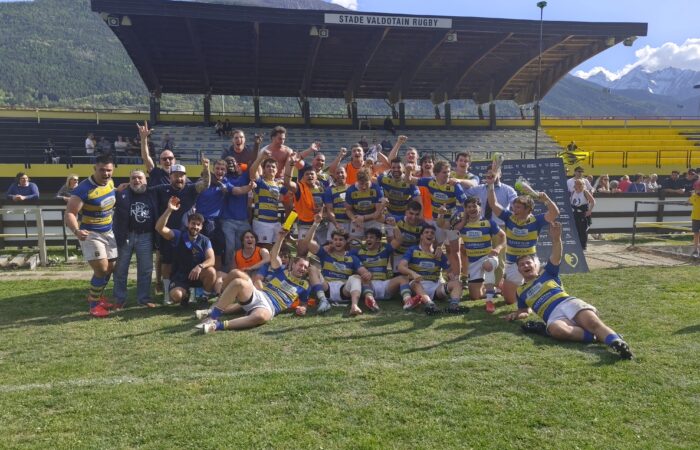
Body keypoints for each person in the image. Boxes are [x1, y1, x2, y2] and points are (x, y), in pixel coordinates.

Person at [505, 222, 634, 359]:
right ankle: (600, 337)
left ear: (535, 265)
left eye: (528, 263)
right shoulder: (520, 291)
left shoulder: (547, 273)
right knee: (558, 331)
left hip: (567, 303)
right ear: (519, 270)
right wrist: (516, 315)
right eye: (522, 265)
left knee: (593, 323)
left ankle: (617, 343)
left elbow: (556, 256)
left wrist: (556, 238)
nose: (525, 265)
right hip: (552, 316)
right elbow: (524, 311)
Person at [200, 227, 310, 333]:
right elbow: (273, 255)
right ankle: (213, 317)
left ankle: (217, 326)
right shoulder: (282, 270)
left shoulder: (305, 285)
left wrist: (303, 308)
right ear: (293, 264)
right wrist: (280, 238)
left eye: (305, 267)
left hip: (270, 307)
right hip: (261, 294)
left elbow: (304, 303)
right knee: (238, 282)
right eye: (301, 265)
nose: (303, 269)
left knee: (260, 316)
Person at [485, 175, 559, 305]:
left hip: (530, 261)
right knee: (510, 301)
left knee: (531, 291)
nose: (514, 210)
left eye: (518, 207)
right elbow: (493, 204)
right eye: (514, 207)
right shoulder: (509, 217)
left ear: (528, 209)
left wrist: (546, 200)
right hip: (512, 261)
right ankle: (507, 283)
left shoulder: (536, 220)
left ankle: (529, 284)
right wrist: (491, 185)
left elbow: (555, 214)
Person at [64, 155, 117, 318]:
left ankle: (98, 297)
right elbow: (70, 213)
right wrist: (76, 231)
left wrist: (119, 190)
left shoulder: (110, 182)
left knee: (111, 267)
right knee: (101, 269)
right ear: (95, 169)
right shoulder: (83, 189)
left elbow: (107, 196)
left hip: (109, 231)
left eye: (109, 170)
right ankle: (94, 305)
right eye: (102, 170)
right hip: (91, 233)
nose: (106, 173)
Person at [154, 161, 211, 303]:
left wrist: (206, 169)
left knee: (191, 260)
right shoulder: (162, 189)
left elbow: (205, 184)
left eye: (181, 175)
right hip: (169, 232)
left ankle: (192, 291)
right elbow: (144, 190)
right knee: (167, 262)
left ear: (185, 177)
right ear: (170, 176)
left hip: (188, 233)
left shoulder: (191, 189)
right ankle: (167, 292)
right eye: (176, 175)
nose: (179, 178)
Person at [298, 214, 371, 316]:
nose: (338, 242)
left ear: (346, 241)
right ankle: (323, 301)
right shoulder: (325, 252)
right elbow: (307, 242)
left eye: (341, 240)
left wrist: (367, 274)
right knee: (312, 268)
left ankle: (354, 306)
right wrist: (315, 224)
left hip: (343, 290)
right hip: (326, 288)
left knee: (356, 277)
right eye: (335, 239)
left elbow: (364, 272)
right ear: (332, 241)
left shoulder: (352, 257)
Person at [156, 198, 217, 305]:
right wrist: (169, 210)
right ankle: (186, 295)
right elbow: (159, 228)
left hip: (197, 274)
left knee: (211, 271)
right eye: (193, 223)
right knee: (176, 296)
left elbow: (211, 260)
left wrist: (200, 266)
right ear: (188, 224)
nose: (195, 227)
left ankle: (204, 298)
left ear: (201, 227)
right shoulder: (178, 235)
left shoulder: (205, 240)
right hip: (180, 276)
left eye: (198, 224)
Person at [450, 197, 506, 312]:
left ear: (480, 207)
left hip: (488, 257)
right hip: (473, 262)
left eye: (474, 206)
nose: (472, 209)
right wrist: (463, 219)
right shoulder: (462, 225)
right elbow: (453, 230)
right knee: (475, 296)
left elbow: (503, 236)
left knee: (487, 265)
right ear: (465, 209)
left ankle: (489, 301)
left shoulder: (488, 223)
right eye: (469, 207)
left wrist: (498, 248)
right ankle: (493, 289)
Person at [112, 170, 157, 308]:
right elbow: (104, 195)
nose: (136, 180)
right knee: (120, 270)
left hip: (146, 236)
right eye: (133, 178)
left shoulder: (153, 193)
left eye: (139, 178)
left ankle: (143, 299)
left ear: (145, 180)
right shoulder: (121, 194)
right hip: (125, 236)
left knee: (146, 270)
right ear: (129, 180)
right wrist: (116, 190)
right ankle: (119, 300)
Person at [398, 224, 464, 314]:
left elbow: (450, 271)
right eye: (426, 232)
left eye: (432, 233)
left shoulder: (438, 253)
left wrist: (455, 283)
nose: (429, 234)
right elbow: (401, 267)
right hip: (418, 286)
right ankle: (430, 305)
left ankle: (454, 306)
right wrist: (413, 274)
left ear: (434, 238)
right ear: (421, 236)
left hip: (435, 287)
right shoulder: (413, 250)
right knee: (415, 284)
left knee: (457, 283)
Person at [351, 227, 413, 312]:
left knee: (404, 278)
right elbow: (343, 254)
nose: (368, 239)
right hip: (369, 285)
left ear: (378, 240)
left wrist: (394, 225)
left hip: (385, 285)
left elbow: (398, 240)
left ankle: (408, 301)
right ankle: (371, 301)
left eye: (371, 237)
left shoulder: (385, 249)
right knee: (361, 278)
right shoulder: (357, 252)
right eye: (367, 237)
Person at [377, 157, 422, 222]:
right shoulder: (383, 179)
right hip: (387, 214)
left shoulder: (409, 182)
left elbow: (418, 201)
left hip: (403, 216)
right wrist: (381, 199)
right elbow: (373, 187)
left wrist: (418, 218)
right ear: (390, 168)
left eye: (399, 167)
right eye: (393, 168)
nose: (396, 170)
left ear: (403, 168)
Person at [345, 168, 385, 241]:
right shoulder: (350, 190)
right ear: (357, 181)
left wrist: (363, 218)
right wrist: (354, 219)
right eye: (361, 184)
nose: (364, 187)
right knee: (354, 243)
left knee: (374, 243)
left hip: (373, 220)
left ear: (370, 180)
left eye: (366, 184)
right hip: (357, 219)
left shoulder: (377, 189)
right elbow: (348, 210)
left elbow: (378, 213)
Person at [137, 121, 176, 187]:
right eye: (164, 159)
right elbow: (145, 157)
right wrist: (143, 138)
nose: (167, 161)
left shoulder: (180, 177)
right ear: (160, 161)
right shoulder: (156, 173)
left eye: (170, 158)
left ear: (174, 160)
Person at [570, 178, 595, 250]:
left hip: (583, 213)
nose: (577, 185)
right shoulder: (573, 192)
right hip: (575, 213)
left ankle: (583, 246)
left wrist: (589, 211)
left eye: (580, 184)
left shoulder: (585, 192)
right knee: (576, 229)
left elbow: (593, 201)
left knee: (582, 230)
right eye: (576, 184)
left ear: (582, 185)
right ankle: (577, 245)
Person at [689, 180, 700, 258]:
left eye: (698, 189)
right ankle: (695, 250)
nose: (697, 190)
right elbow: (689, 201)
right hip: (695, 218)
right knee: (696, 234)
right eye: (696, 189)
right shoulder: (694, 196)